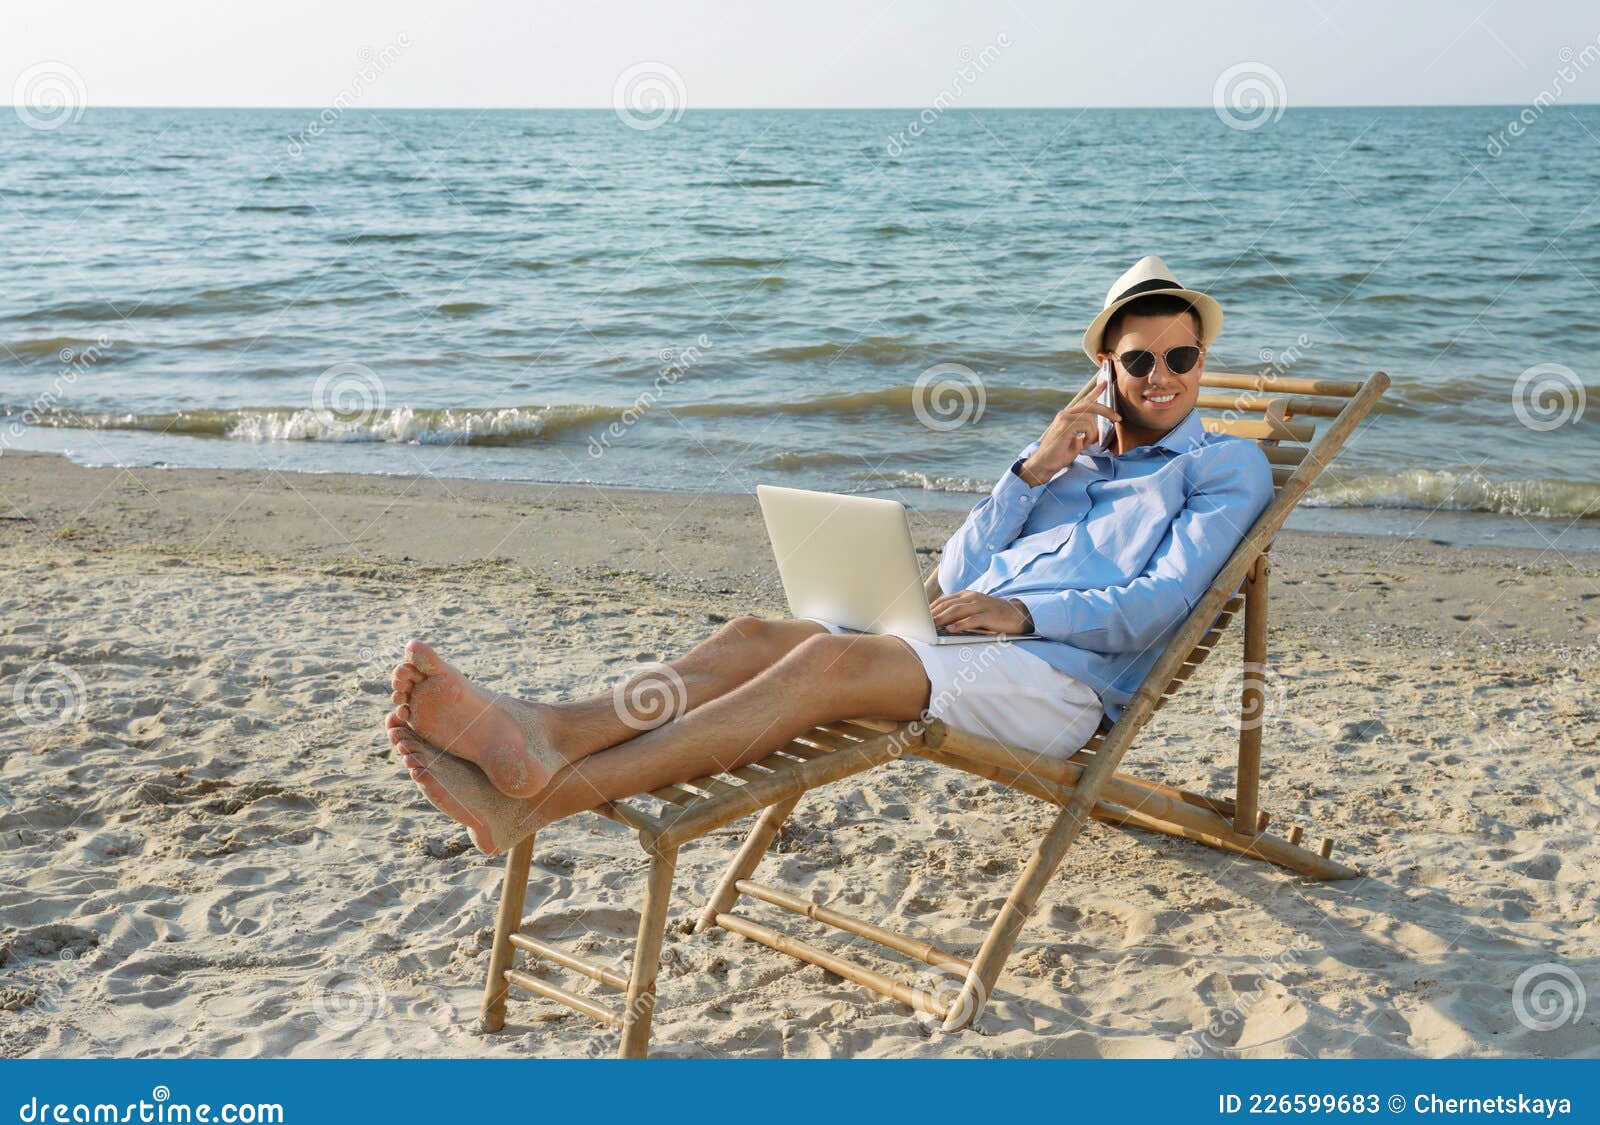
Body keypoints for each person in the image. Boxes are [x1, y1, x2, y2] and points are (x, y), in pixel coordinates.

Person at [386, 255, 1273, 854]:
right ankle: (546, 729)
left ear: (1203, 361)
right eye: (1140, 358)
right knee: (751, 634)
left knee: (827, 659)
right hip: (965, 645)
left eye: (1182, 356)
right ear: (1106, 371)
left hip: (1063, 683)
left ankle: (544, 797)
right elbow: (961, 569)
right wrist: (1033, 468)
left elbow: (1161, 601)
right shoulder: (1067, 459)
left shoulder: (1224, 464)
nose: (1163, 374)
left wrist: (1025, 611)